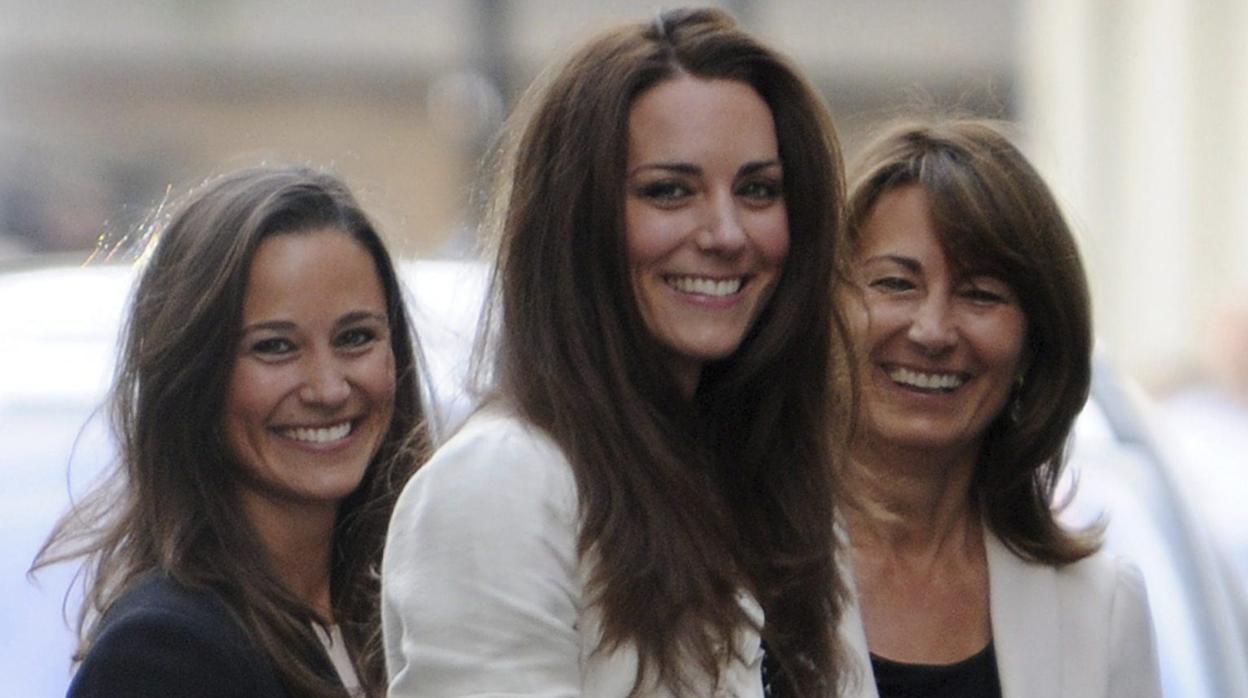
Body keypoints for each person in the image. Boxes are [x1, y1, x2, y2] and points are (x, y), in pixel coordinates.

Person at [382, 7, 852, 696]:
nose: (725, 232)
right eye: (670, 191)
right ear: (576, 217)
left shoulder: (776, 486)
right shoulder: (502, 485)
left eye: (758, 190)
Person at [31, 165, 431, 698]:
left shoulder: (402, 617)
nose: (329, 388)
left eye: (356, 337)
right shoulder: (162, 653)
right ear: (192, 374)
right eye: (275, 346)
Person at [834, 119, 1162, 698]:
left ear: (1034, 347)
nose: (932, 330)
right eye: (894, 284)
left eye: (980, 294)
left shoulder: (1097, 608)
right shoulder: (719, 575)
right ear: (825, 314)